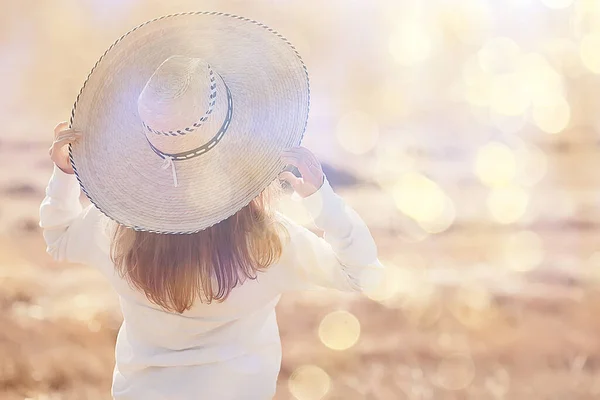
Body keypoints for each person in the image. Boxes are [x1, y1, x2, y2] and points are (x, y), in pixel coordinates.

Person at [39, 12, 384, 400]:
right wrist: (322, 198)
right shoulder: (269, 244)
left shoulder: (116, 232)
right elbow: (363, 274)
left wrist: (66, 175)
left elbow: (59, 237)